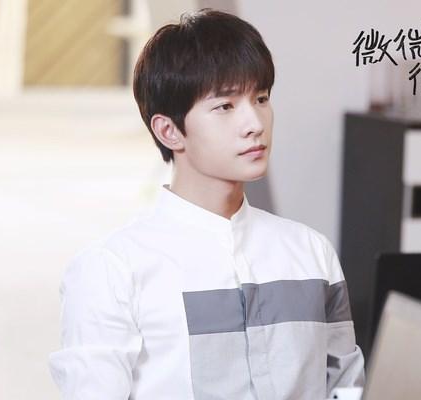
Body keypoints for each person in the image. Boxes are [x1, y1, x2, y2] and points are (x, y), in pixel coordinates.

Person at [49, 8, 365, 400]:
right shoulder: (112, 270)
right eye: (225, 106)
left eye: (261, 98)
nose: (255, 123)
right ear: (169, 131)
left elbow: (347, 389)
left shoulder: (310, 253)